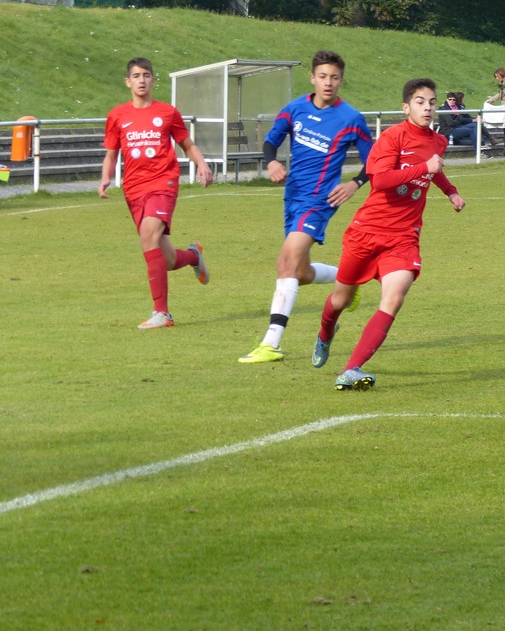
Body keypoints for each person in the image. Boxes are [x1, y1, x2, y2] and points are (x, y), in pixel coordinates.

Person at [311, 77, 465, 391]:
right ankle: (326, 332)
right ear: (406, 107)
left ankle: (351, 369)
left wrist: (450, 191)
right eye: (420, 102)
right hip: (368, 231)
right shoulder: (392, 137)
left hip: (404, 236)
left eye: (431, 102)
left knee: (394, 298)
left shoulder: (438, 141)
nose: (427, 108)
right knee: (341, 299)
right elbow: (380, 180)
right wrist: (424, 169)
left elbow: (434, 169)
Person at [239, 50, 374, 364]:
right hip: (293, 198)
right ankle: (349, 281)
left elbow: (374, 160)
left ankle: (271, 343)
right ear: (312, 78)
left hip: (319, 202)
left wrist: (354, 183)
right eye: (323, 76)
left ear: (341, 81)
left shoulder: (351, 118)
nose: (329, 83)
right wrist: (272, 162)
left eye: (335, 77)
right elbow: (271, 141)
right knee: (301, 272)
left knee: (285, 262)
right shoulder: (294, 109)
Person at [99, 57, 213, 330]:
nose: (141, 80)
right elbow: (111, 154)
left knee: (148, 236)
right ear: (128, 82)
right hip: (133, 189)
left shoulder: (167, 112)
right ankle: (193, 256)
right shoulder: (117, 115)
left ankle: (162, 313)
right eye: (136, 76)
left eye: (146, 75)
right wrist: (105, 177)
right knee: (168, 259)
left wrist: (202, 163)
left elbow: (187, 144)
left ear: (152, 80)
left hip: (163, 182)